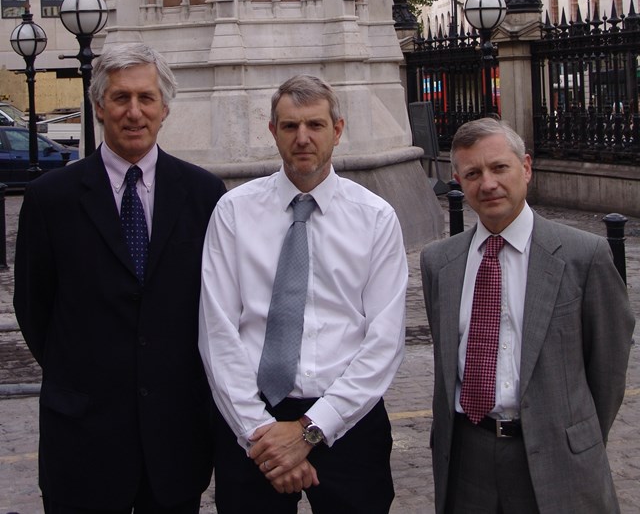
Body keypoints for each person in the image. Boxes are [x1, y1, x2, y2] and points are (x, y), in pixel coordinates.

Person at [14, 43, 227, 514]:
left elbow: (217, 308)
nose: (134, 112)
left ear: (165, 107)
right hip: (82, 438)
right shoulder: (51, 199)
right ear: (98, 106)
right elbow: (33, 307)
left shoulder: (205, 194)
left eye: (146, 98)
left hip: (174, 440)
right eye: (120, 98)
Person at [198, 74, 408, 513]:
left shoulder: (376, 219)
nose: (303, 138)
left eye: (315, 125)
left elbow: (384, 342)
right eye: (290, 126)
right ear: (272, 131)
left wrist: (311, 430)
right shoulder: (233, 212)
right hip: (254, 424)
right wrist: (262, 435)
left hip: (348, 421)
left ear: (338, 130)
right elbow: (218, 333)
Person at [420, 117, 635, 514]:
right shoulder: (439, 262)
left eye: (499, 167)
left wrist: (573, 435)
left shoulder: (583, 255)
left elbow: (608, 370)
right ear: (458, 181)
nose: (487, 184)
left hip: (559, 461)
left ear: (526, 168)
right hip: (468, 460)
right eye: (472, 173)